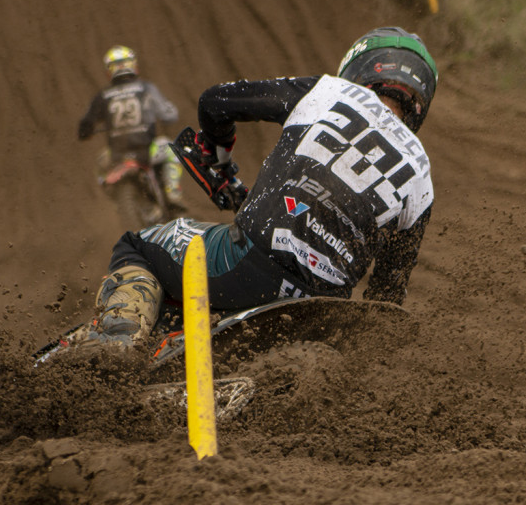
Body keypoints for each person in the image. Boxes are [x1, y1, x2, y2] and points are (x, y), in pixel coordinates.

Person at [74, 27, 438, 349]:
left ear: (360, 68)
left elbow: (215, 102)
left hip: (248, 264)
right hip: (325, 309)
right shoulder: (422, 173)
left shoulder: (330, 91)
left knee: (138, 246)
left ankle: (117, 339)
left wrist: (218, 159)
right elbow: (387, 298)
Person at [77, 45, 185, 215]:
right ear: (133, 65)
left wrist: (86, 132)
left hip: (117, 155)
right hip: (147, 149)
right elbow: (168, 115)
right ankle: (173, 193)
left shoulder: (103, 96)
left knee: (100, 165)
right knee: (173, 149)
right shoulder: (146, 88)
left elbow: (85, 125)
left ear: (109, 70)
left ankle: (116, 203)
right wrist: (168, 113)